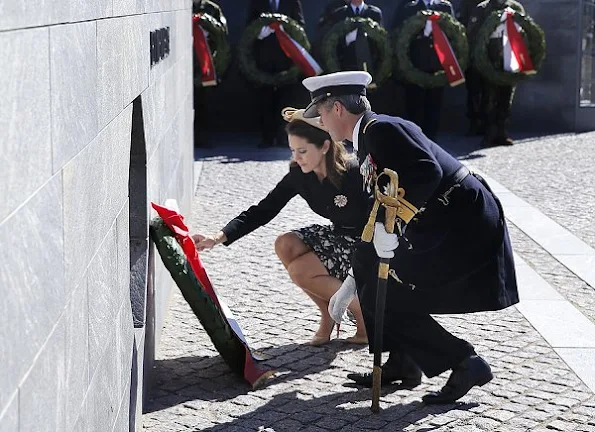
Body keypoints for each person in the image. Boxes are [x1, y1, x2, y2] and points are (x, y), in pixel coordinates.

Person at [301, 71, 518, 403]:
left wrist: (397, 221)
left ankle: (465, 362)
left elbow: (427, 172)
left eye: (322, 114)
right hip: (442, 220)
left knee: (386, 292)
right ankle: (404, 361)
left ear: (338, 110)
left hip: (462, 223)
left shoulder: (383, 130)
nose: (322, 123)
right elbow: (377, 212)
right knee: (375, 281)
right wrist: (351, 279)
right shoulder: (369, 138)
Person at [192, 107, 369, 345]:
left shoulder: (354, 172)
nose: (297, 157)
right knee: (285, 243)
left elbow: (386, 213)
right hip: (339, 237)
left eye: (303, 151)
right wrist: (217, 237)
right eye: (293, 150)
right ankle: (328, 313)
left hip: (367, 245)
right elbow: (264, 210)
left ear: (325, 146)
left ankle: (364, 316)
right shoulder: (299, 174)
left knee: (300, 271)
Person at [391, 0, 455, 140]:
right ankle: (415, 140)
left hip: (437, 64)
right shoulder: (409, 7)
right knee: (415, 105)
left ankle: (432, 139)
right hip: (414, 65)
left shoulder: (444, 7)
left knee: (435, 105)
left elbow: (453, 33)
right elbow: (398, 33)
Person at [246, 0, 306, 148]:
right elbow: (249, 26)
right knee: (265, 101)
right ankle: (267, 138)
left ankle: (283, 137)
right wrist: (260, 34)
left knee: (285, 101)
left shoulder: (292, 2)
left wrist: (286, 30)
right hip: (263, 60)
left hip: (286, 60)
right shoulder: (257, 3)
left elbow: (300, 25)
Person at [466, 0, 525, 146]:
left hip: (509, 57)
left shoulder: (515, 7)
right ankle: (489, 133)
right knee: (489, 99)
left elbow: (525, 29)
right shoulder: (483, 8)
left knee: (506, 98)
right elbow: (472, 32)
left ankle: (502, 133)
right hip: (489, 59)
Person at [317, 1, 384, 73]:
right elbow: (334, 42)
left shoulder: (374, 13)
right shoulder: (340, 14)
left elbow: (380, 41)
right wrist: (347, 40)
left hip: (369, 65)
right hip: (347, 65)